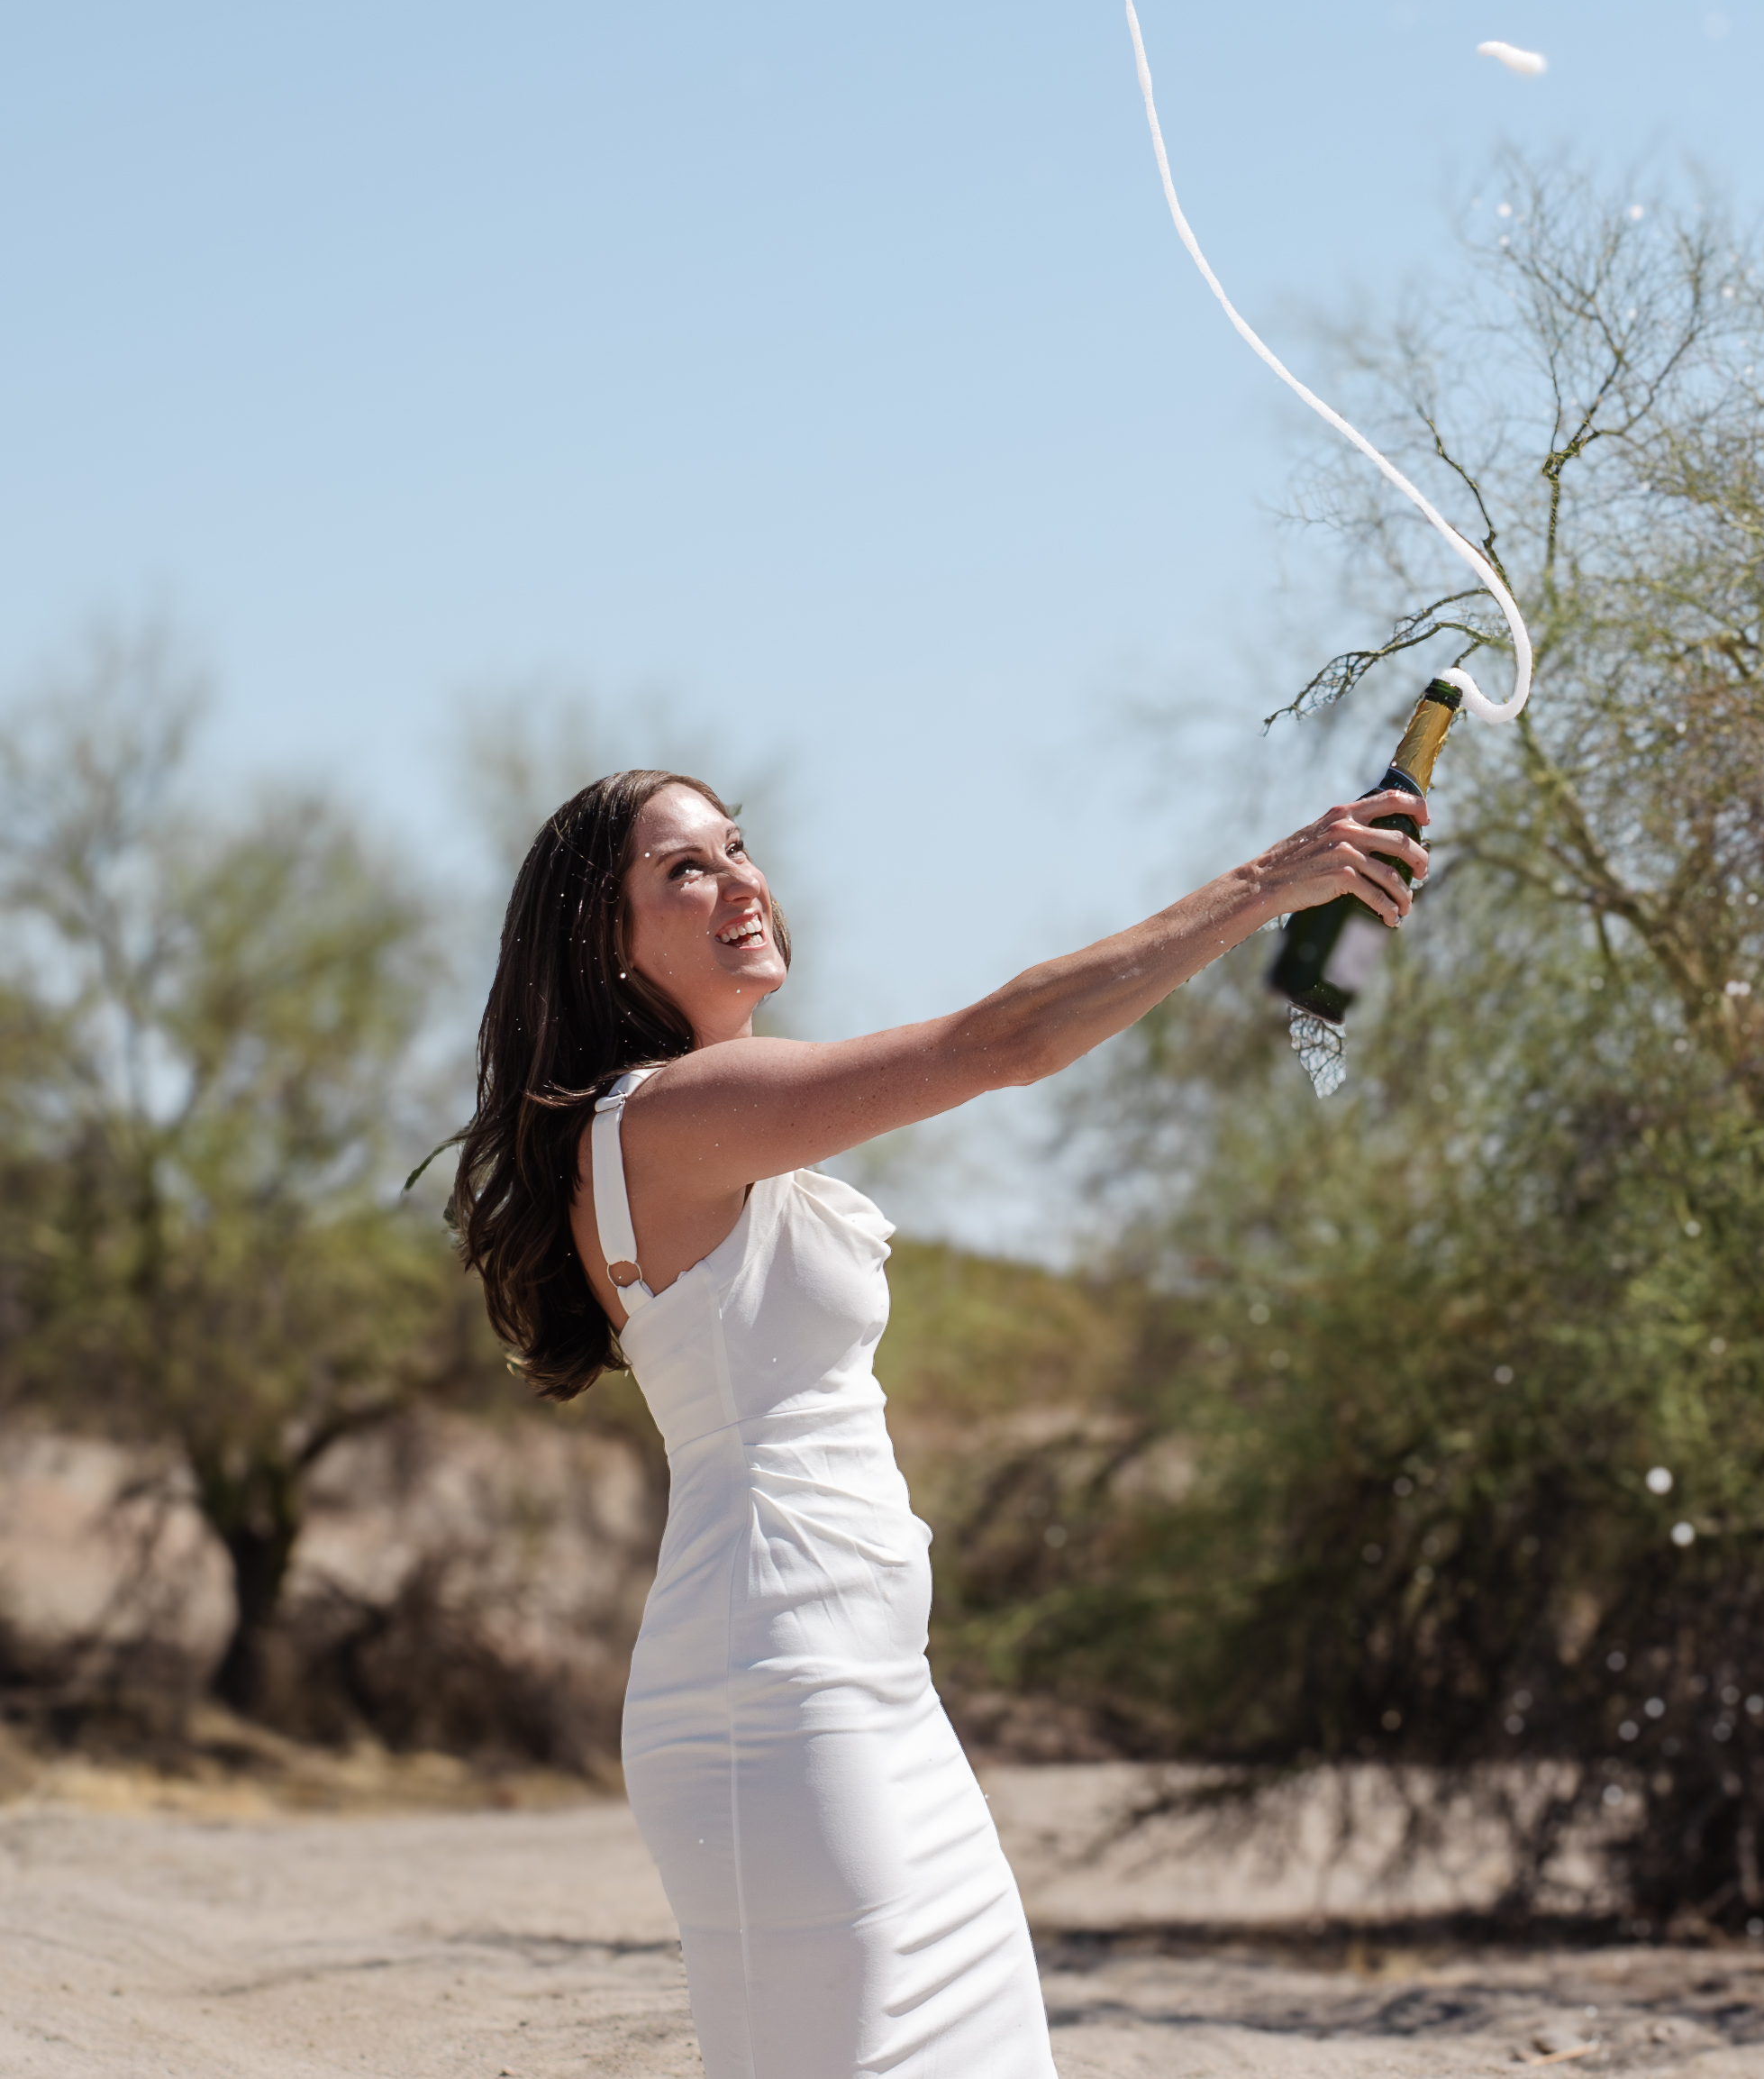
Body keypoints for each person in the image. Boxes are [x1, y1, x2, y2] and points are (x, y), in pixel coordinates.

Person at [455, 764, 1428, 2079]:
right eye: (684, 868)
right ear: (602, 939)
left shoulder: (701, 1126)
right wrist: (1271, 883)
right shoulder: (662, 1118)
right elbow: (1000, 1045)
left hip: (863, 1691)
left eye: (739, 847)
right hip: (780, 1699)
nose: (742, 879)